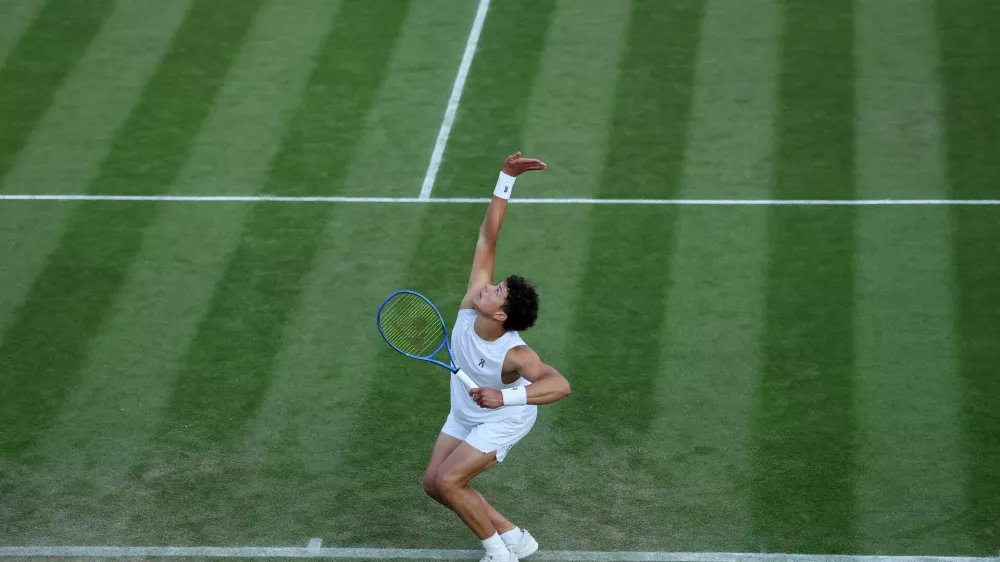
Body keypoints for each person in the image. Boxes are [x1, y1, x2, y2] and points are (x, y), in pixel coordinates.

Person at [420, 153, 572, 562]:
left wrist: (504, 398)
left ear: (501, 315)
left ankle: (500, 555)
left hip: (506, 416)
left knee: (452, 481)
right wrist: (505, 178)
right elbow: (488, 239)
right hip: (467, 410)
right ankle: (516, 538)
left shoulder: (516, 353)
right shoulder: (473, 303)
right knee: (434, 485)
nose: (487, 288)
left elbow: (559, 386)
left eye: (497, 292)